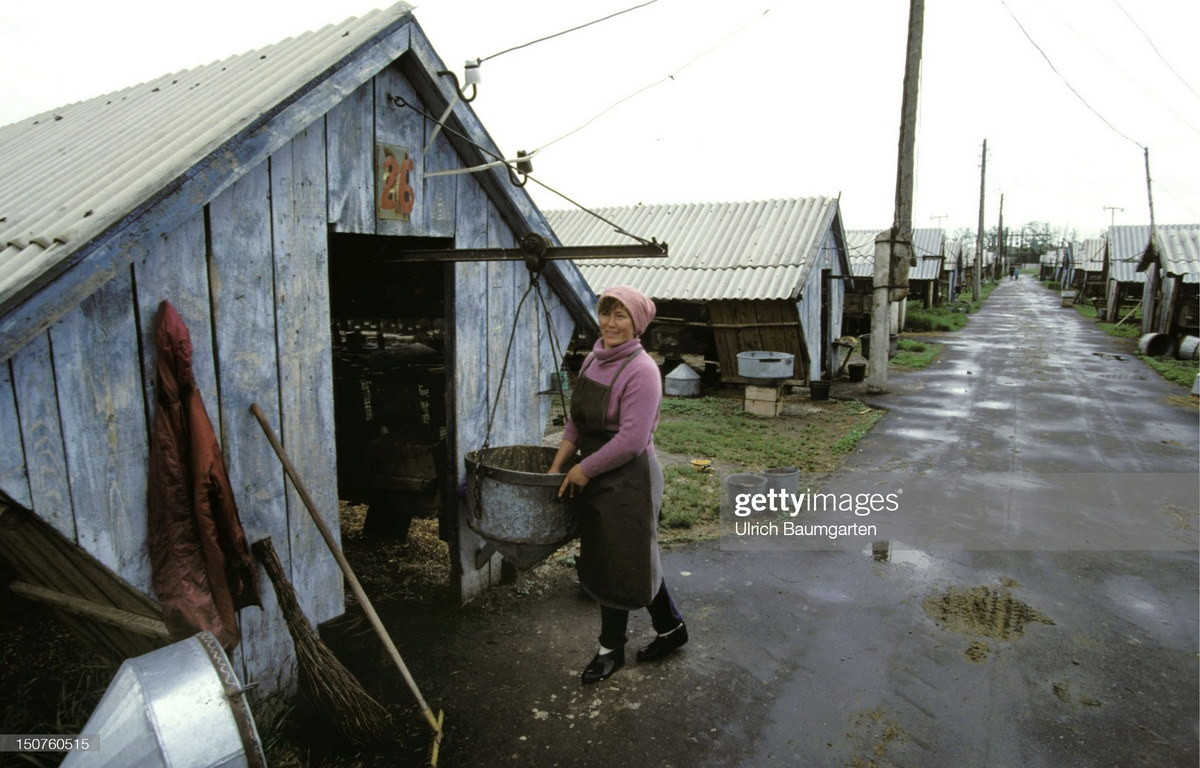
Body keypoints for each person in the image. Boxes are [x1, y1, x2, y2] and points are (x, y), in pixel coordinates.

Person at [547, 285, 688, 684]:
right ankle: (672, 629)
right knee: (631, 558)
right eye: (605, 312)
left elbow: (631, 440)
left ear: (637, 323)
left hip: (630, 477)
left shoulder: (642, 371)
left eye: (620, 315)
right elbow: (576, 420)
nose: (610, 323)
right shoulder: (594, 358)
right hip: (594, 468)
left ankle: (611, 650)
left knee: (619, 561)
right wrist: (558, 465)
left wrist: (582, 470)